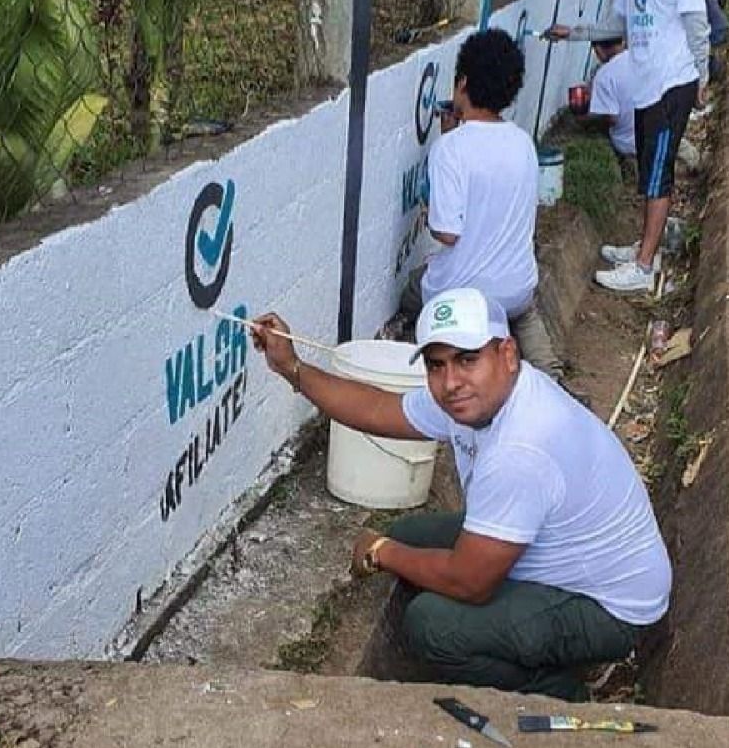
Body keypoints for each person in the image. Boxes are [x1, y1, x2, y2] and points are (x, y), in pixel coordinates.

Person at [251, 287, 672, 700]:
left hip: (607, 609)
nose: (450, 381)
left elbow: (470, 583)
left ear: (507, 354)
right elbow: (379, 410)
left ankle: (559, 691)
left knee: (433, 625)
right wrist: (292, 368)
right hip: (562, 564)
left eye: (467, 359)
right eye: (436, 365)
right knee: (412, 535)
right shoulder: (481, 396)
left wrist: (380, 551)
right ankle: (527, 645)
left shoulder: (521, 447)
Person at [549, 0, 709, 293]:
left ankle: (643, 268)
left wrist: (701, 75)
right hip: (645, 82)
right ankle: (645, 246)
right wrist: (578, 32)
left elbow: (696, 21)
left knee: (657, 175)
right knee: (649, 170)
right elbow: (620, 21)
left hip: (673, 81)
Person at [400, 29, 562, 380]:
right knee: (520, 310)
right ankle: (551, 377)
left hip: (463, 296)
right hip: (518, 287)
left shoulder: (450, 150)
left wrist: (429, 208)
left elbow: (447, 233)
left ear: (462, 83)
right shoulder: (522, 143)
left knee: (412, 293)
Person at [587, 37, 637, 159]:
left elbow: (611, 118)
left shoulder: (605, 75)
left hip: (626, 145)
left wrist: (585, 119)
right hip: (652, 137)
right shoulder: (640, 59)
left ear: (598, 48)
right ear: (623, 41)